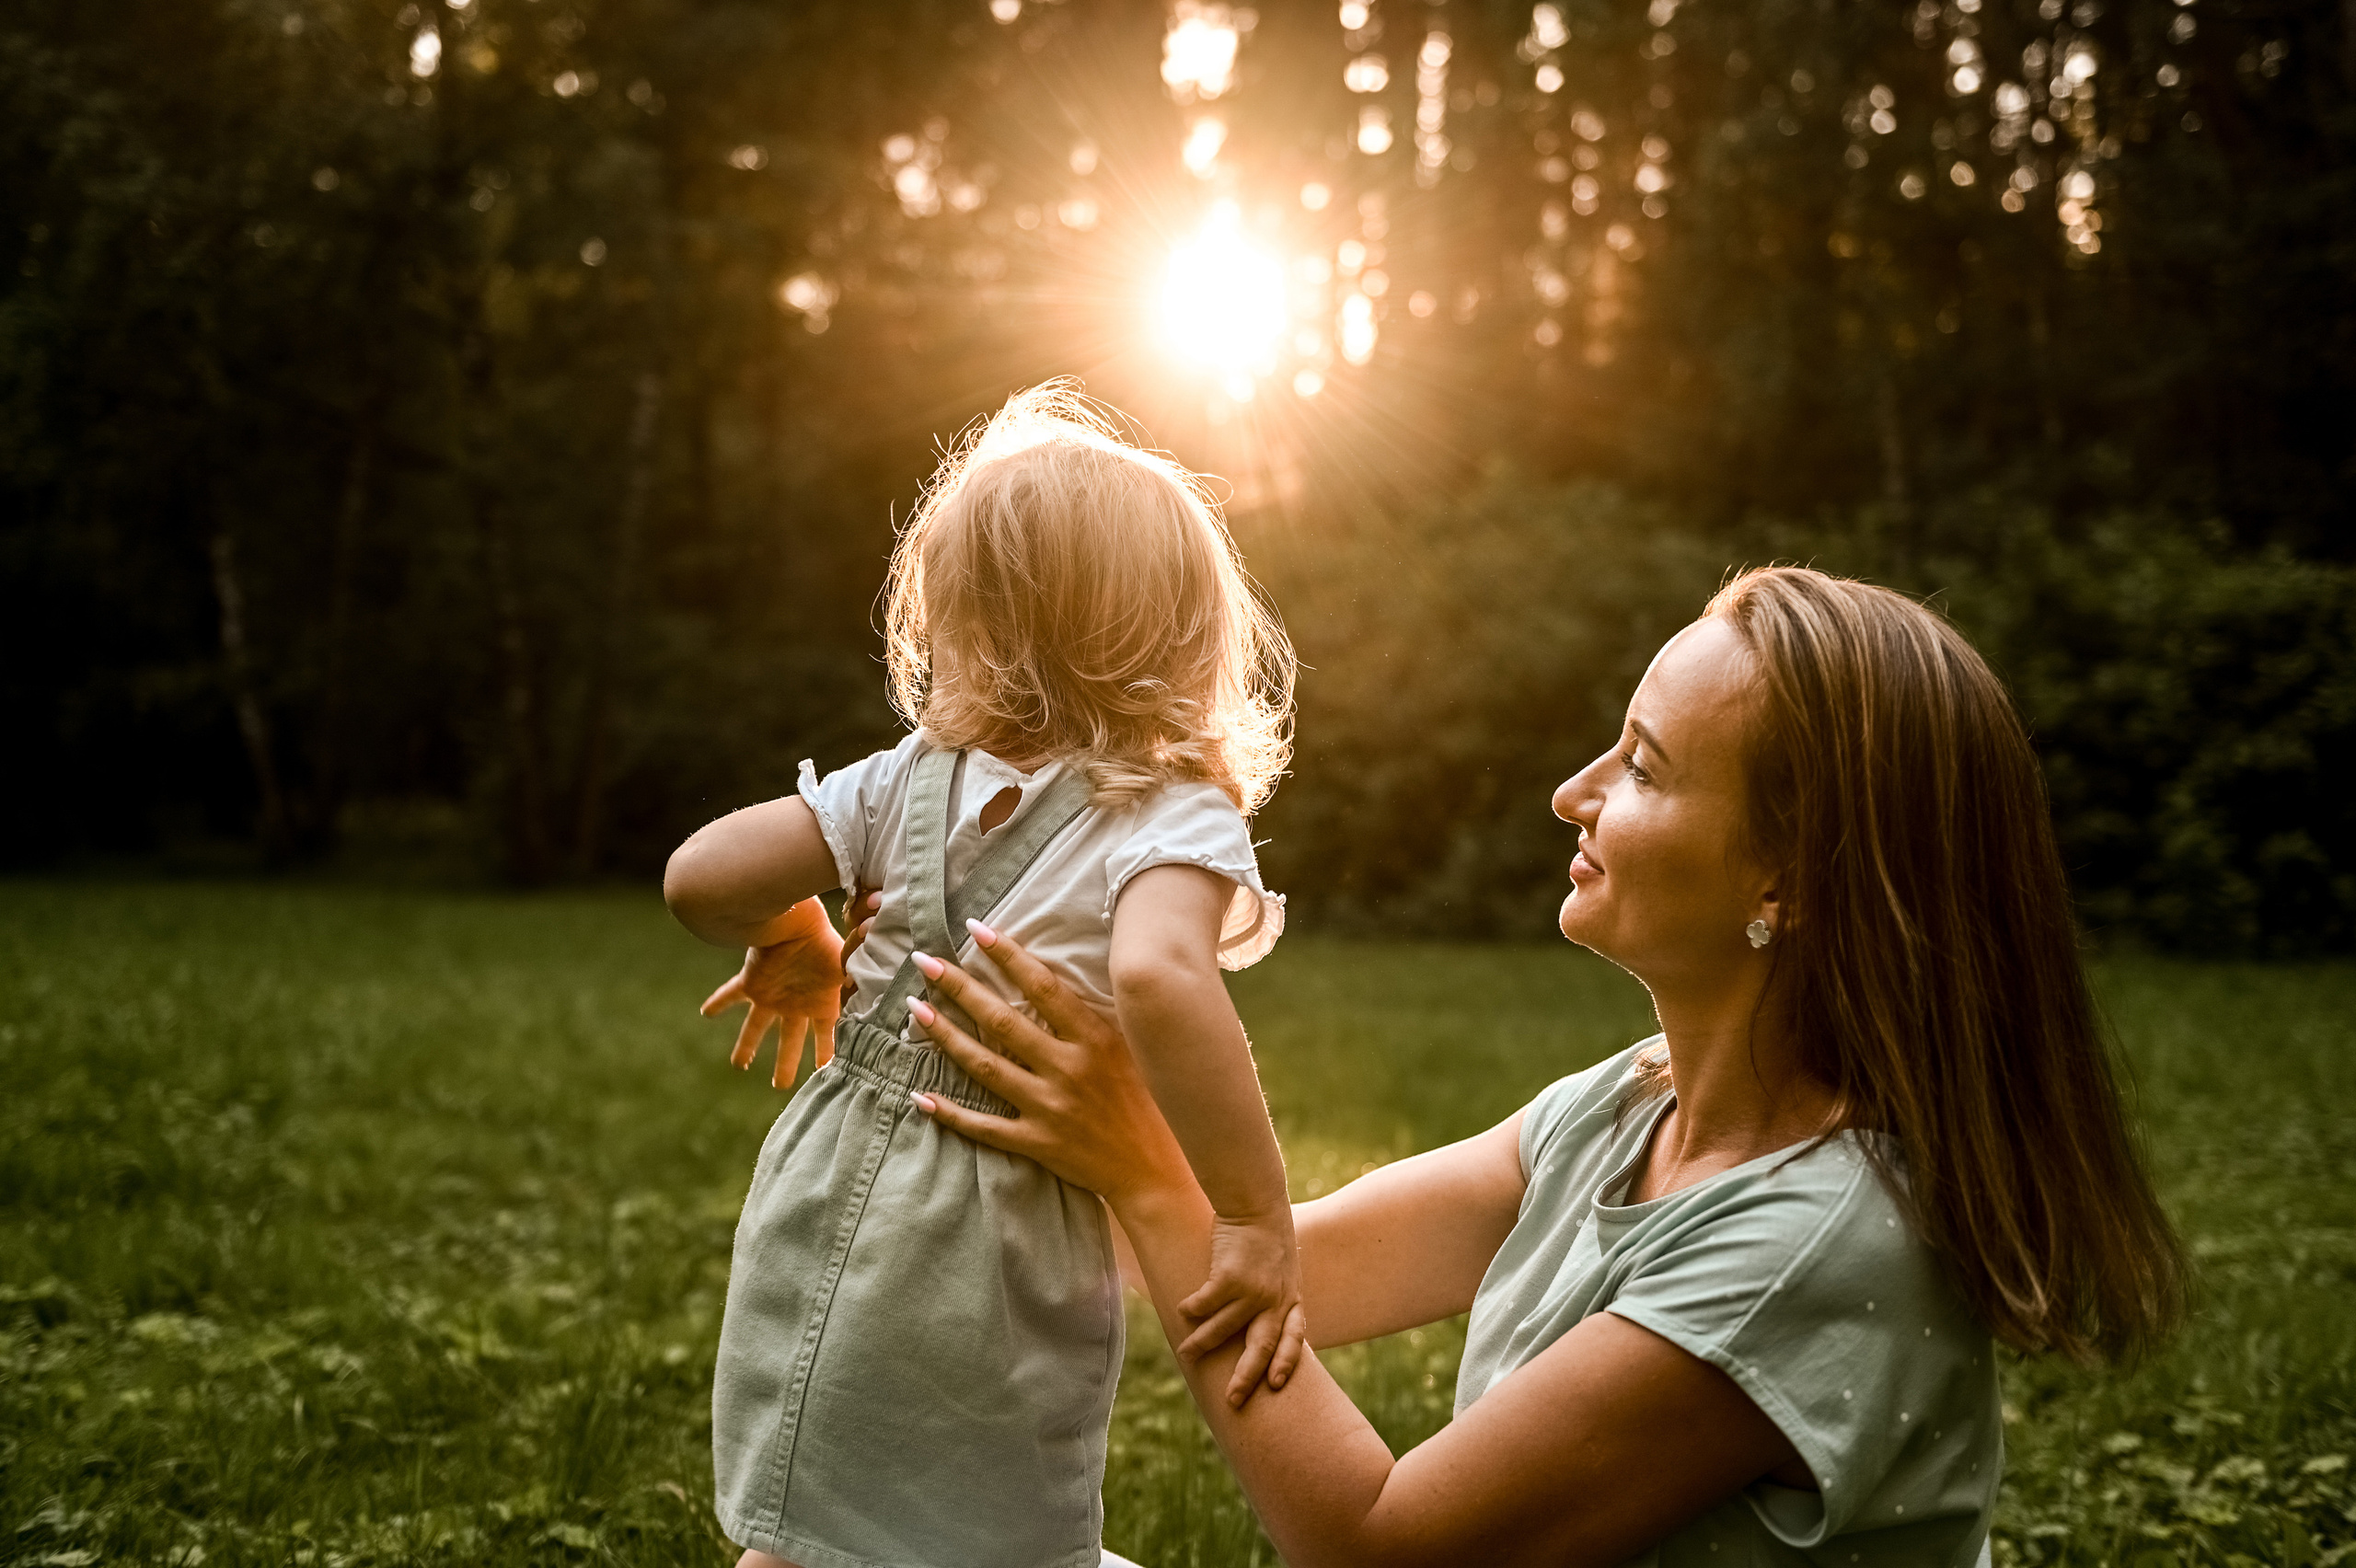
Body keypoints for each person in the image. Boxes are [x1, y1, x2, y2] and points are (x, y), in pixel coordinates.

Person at [907, 566, 2189, 1567]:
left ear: (1785, 883)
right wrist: (964, 1037)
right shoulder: (1625, 1109)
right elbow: (1303, 1268)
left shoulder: (1814, 1245)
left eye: (1645, 768)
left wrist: (1142, 1171)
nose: (1576, 792)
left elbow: (1378, 1550)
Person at [662, 383, 1304, 1568]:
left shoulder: (902, 779)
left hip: (828, 1203)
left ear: (956, 619)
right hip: (995, 1240)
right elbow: (1161, 977)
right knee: (996, 1536)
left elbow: (700, 879)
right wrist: (1255, 1216)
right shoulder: (1172, 812)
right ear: (1183, 638)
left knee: (808, 1522)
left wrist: (799, 931)